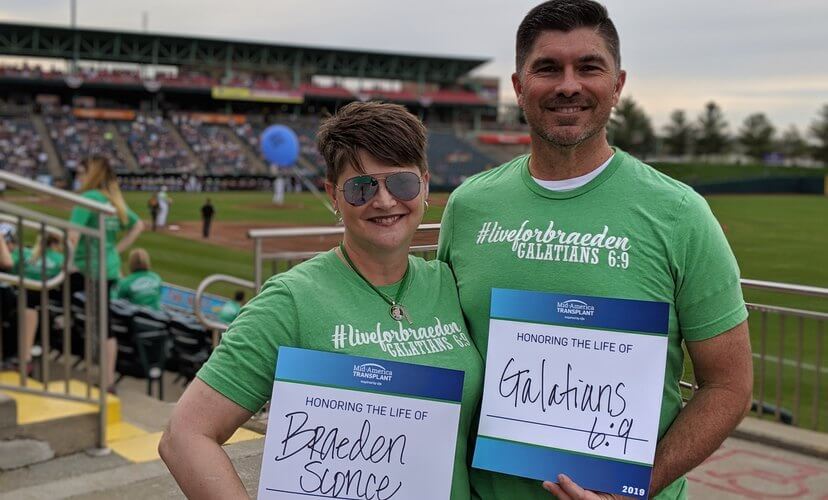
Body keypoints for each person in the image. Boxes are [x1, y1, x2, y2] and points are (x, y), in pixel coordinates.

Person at [437, 2, 753, 499]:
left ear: (618, 84)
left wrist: (635, 489)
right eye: (547, 68)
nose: (568, 85)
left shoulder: (679, 213)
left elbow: (728, 386)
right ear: (519, 87)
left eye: (588, 67)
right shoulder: (469, 206)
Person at [159, 102, 484, 499]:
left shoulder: (449, 285)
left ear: (426, 185)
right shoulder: (292, 299)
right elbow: (184, 435)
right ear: (333, 194)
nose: (384, 201)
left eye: (401, 183)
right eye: (362, 186)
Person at [68, 156, 144, 394]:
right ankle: (106, 379)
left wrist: (69, 264)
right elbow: (138, 224)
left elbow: (73, 235)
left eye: (82, 171)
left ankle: (105, 379)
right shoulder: (111, 200)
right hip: (108, 268)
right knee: (103, 322)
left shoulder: (89, 198)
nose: (78, 175)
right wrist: (116, 251)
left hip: (89, 269)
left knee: (100, 323)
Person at [0, 228, 64, 370]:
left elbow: (8, 265)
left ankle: (22, 357)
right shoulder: (61, 260)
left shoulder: (25, 254)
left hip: (20, 301)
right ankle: (25, 357)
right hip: (36, 306)